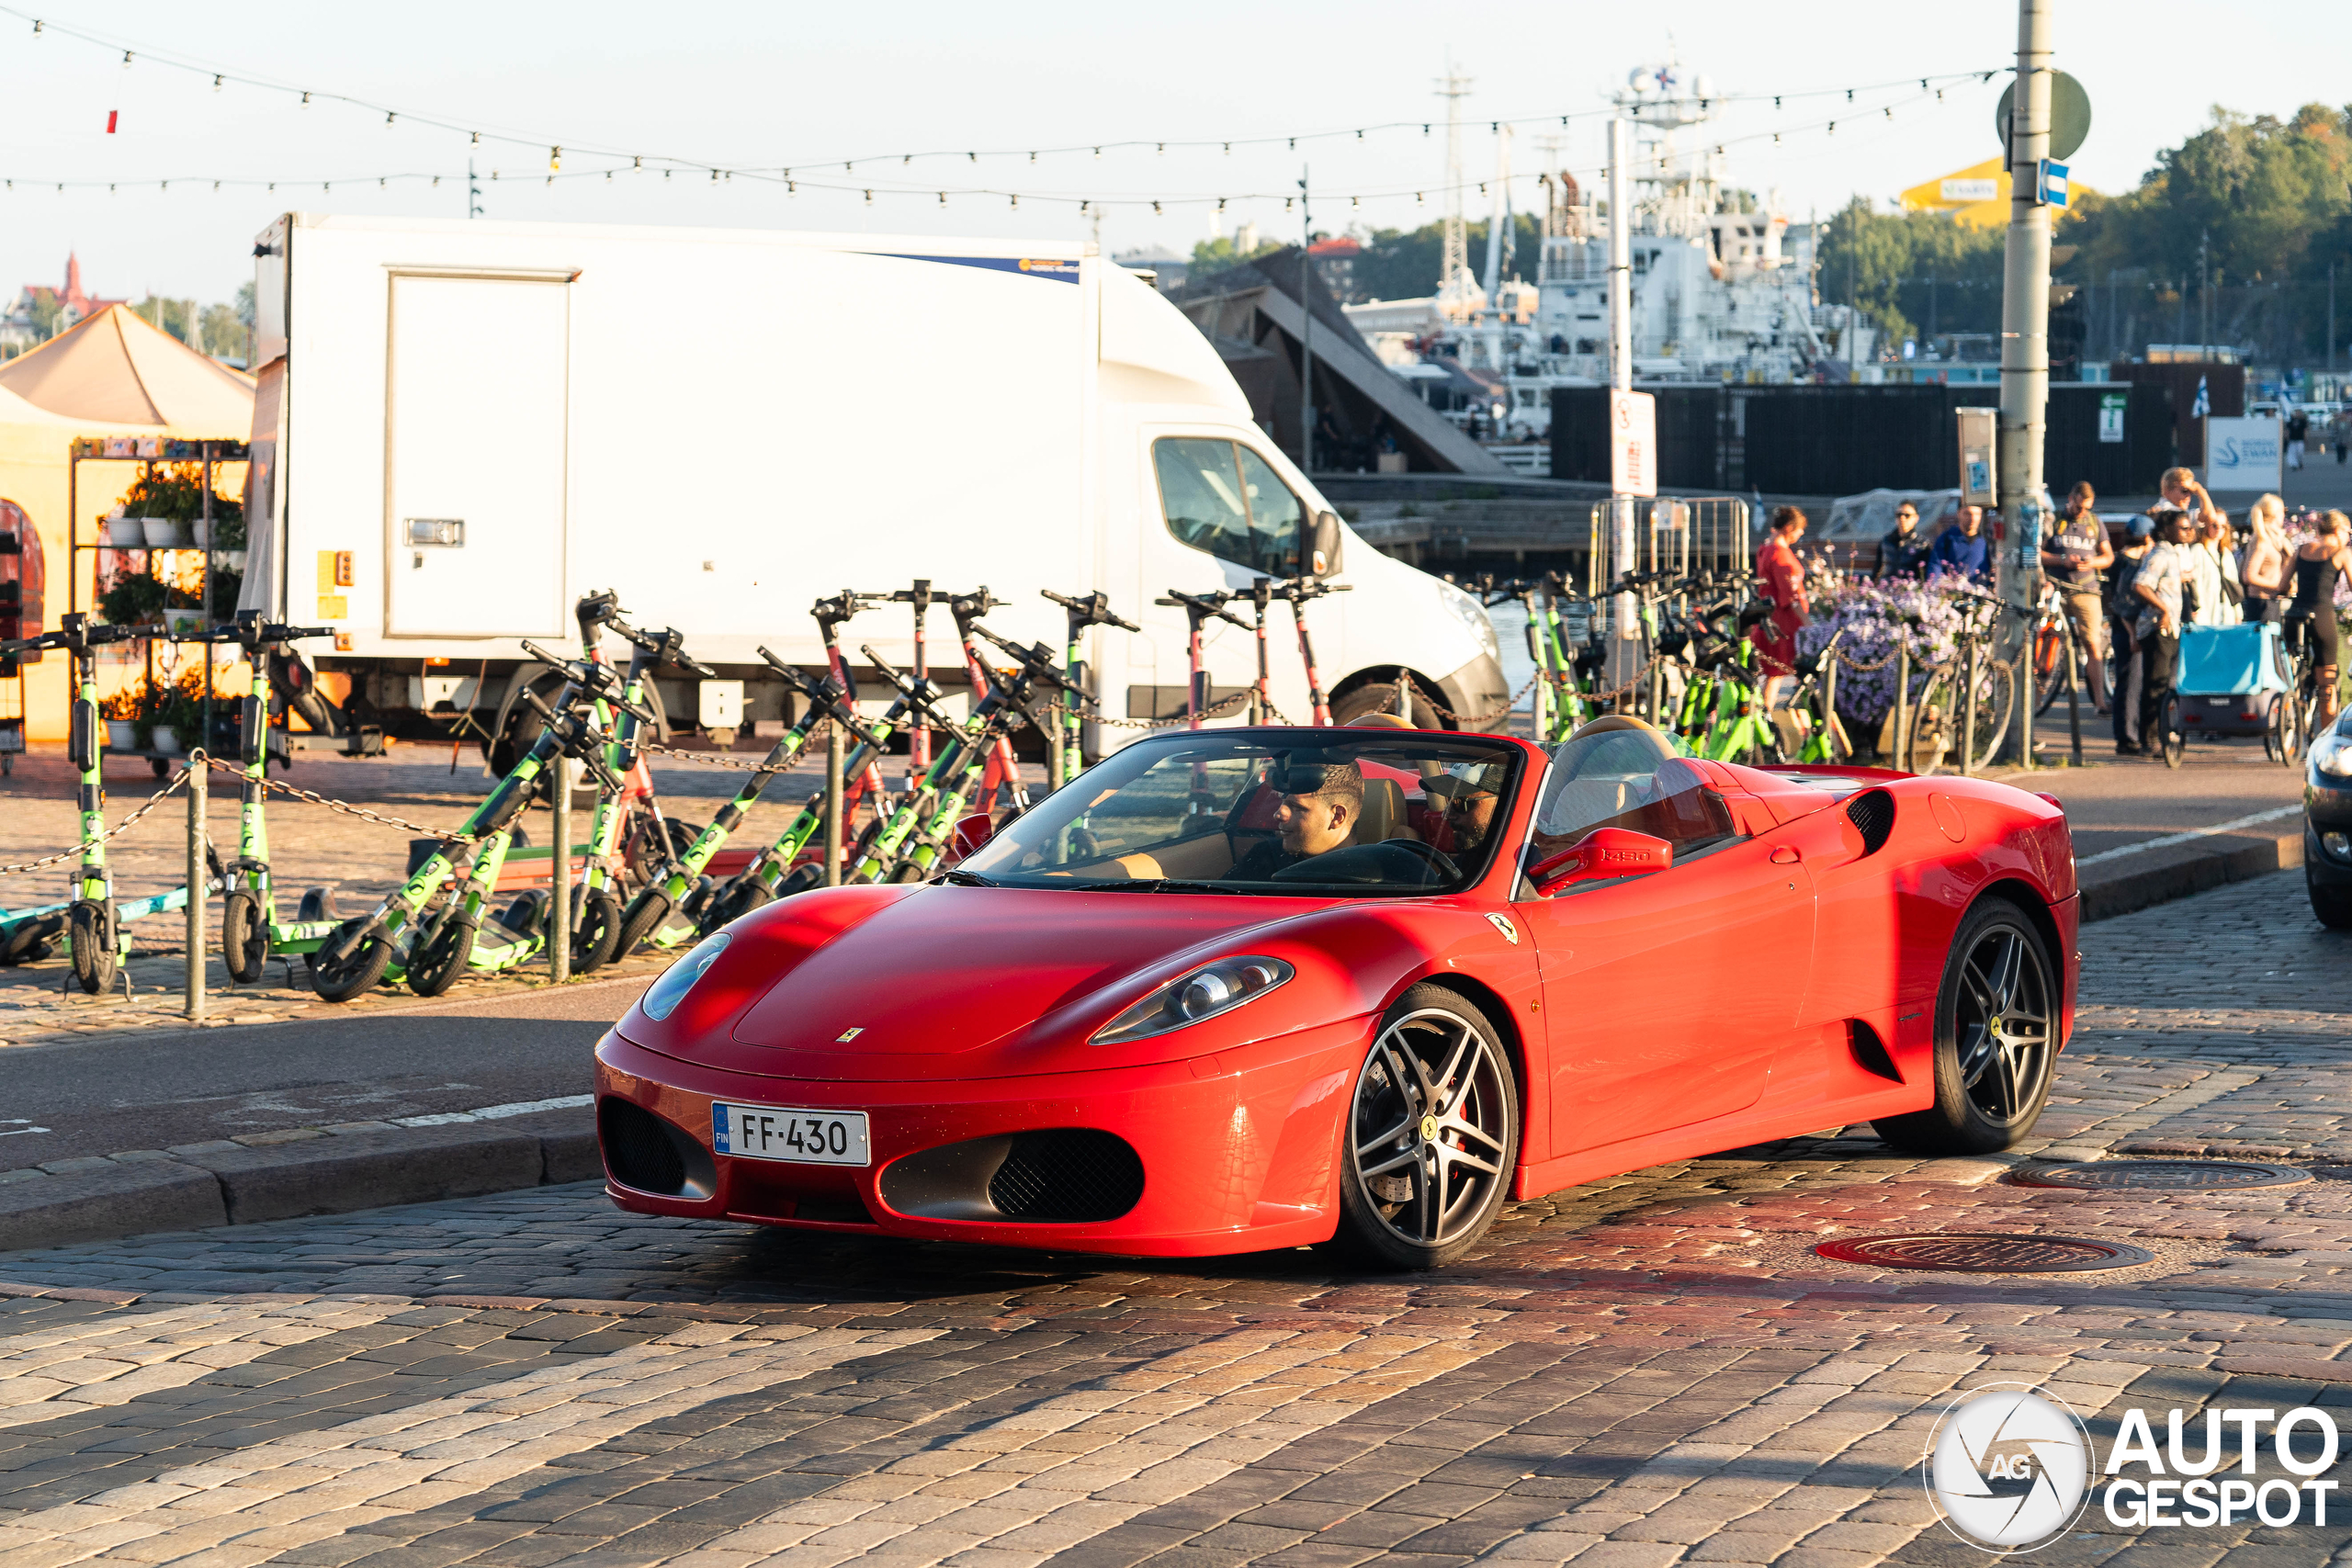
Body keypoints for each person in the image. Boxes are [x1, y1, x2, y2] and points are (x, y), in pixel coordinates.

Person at [1226, 757, 1364, 880]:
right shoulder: (1264, 856)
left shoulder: (1371, 876)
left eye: (1297, 807)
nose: (1278, 814)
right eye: (1282, 802)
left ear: (1337, 817)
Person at [2041, 481, 2113, 711]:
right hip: (2057, 587)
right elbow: (2038, 553)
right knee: (2046, 640)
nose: (2082, 512)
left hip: (2086, 589)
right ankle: (2035, 702)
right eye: (2079, 506)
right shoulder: (2055, 520)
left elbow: (2108, 556)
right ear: (2071, 498)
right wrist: (2062, 560)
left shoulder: (2094, 522)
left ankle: (2100, 702)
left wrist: (2092, 562)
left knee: (2093, 644)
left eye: (2087, 508)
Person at [2132, 509, 2195, 750]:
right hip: (2159, 629)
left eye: (2190, 528)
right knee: (2155, 685)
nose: (2189, 532)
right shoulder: (2160, 554)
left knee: (2165, 686)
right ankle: (2150, 740)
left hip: (2173, 630)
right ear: (2167, 530)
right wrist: (2164, 610)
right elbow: (2140, 585)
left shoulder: (2173, 554)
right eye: (2183, 528)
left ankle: (2160, 735)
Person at [2287, 509, 2350, 725]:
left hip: (2295, 616)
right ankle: (2326, 733)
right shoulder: (2341, 552)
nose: (2348, 537)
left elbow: (2281, 584)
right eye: (2347, 532)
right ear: (2336, 530)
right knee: (2328, 682)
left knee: (2292, 665)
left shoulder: (2301, 549)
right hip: (2322, 616)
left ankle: (2294, 699)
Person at [1750, 505, 1809, 713]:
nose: (1801, 533)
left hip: (1767, 618)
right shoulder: (1780, 554)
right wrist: (1809, 624)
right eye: (1799, 529)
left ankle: (1765, 717)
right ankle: (1776, 718)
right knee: (1781, 673)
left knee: (1771, 675)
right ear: (1789, 527)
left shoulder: (1766, 548)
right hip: (1783, 623)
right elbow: (1790, 597)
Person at [2108, 516, 2155, 754]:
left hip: (2125, 629)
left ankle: (2129, 734)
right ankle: (2127, 737)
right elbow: (2122, 604)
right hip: (2128, 630)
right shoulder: (2131, 565)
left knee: (2130, 682)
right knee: (2130, 683)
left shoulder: (2117, 560)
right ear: (2147, 538)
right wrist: (2132, 635)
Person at [2240, 493, 2290, 624]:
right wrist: (2279, 586)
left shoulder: (2273, 539)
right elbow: (2248, 575)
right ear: (2276, 514)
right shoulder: (2262, 541)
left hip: (2270, 601)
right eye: (2283, 511)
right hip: (2261, 603)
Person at [1929, 502, 1993, 581]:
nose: (1972, 518)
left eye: (1977, 514)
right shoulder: (1947, 539)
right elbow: (1936, 565)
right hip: (1954, 590)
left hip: (1981, 590)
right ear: (1959, 513)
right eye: (1967, 514)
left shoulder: (1988, 540)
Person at [2155, 466, 2225, 529]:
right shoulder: (2165, 510)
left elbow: (2210, 517)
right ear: (2167, 491)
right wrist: (2200, 491)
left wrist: (2200, 491)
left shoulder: (2181, 511)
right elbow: (2209, 517)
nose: (2188, 496)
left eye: (2191, 492)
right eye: (2184, 491)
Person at [1879, 500, 1932, 578]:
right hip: (1887, 587)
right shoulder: (1886, 541)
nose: (1902, 518)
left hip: (1911, 588)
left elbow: (1926, 575)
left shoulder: (1923, 544)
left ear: (1916, 518)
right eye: (1899, 515)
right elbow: (1877, 570)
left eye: (1907, 515)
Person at [2289, 408, 2309, 472]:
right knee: (2293, 453)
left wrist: (2306, 438)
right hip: (2293, 440)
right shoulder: (2291, 421)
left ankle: (2300, 462)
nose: (2297, 414)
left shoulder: (2303, 421)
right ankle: (2294, 465)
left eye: (2298, 413)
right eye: (2296, 412)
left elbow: (2305, 430)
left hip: (2300, 439)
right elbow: (2288, 430)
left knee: (2300, 452)